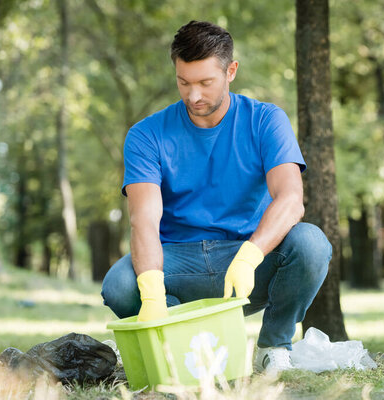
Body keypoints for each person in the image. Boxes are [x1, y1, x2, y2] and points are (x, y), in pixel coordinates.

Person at [101, 20, 331, 374]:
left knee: (311, 244)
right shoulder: (146, 135)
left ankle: (274, 346)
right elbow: (143, 218)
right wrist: (150, 293)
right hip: (176, 261)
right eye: (184, 82)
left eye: (205, 83)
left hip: (247, 259)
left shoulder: (265, 120)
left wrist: (250, 256)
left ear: (231, 71)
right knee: (118, 285)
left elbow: (290, 199)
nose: (194, 96)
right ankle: (179, 338)